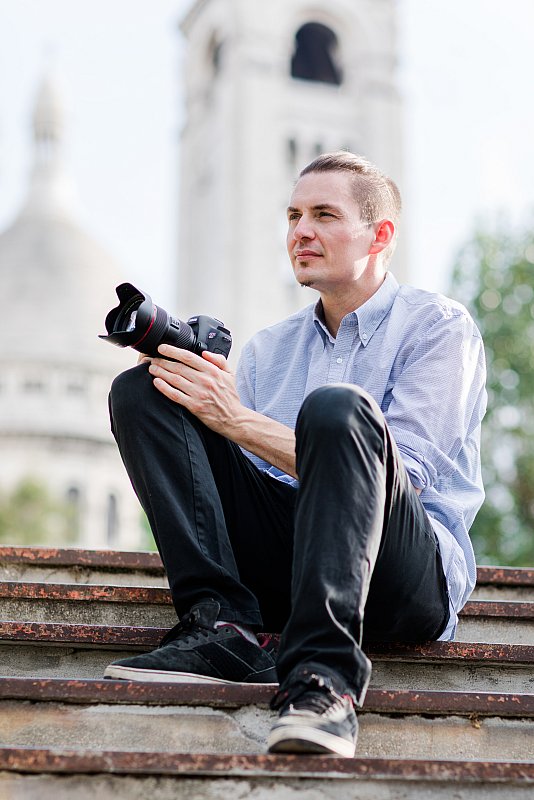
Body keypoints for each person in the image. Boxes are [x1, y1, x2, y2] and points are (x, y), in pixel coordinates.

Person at [104, 152, 487, 758]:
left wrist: (236, 420)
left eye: (324, 214)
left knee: (339, 411)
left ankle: (324, 683)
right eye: (293, 215)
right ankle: (220, 627)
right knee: (147, 387)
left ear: (379, 234)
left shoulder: (439, 327)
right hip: (294, 562)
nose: (300, 232)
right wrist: (210, 419)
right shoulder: (269, 350)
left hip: (402, 576)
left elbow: (402, 479)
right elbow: (249, 488)